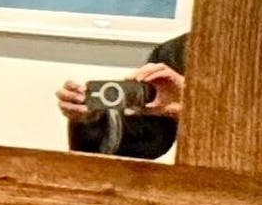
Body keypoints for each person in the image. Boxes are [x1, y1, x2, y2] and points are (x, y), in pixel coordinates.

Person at [59, 33, 187, 159]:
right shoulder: (176, 50)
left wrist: (190, 103)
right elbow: (146, 144)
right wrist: (93, 118)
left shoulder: (188, 49)